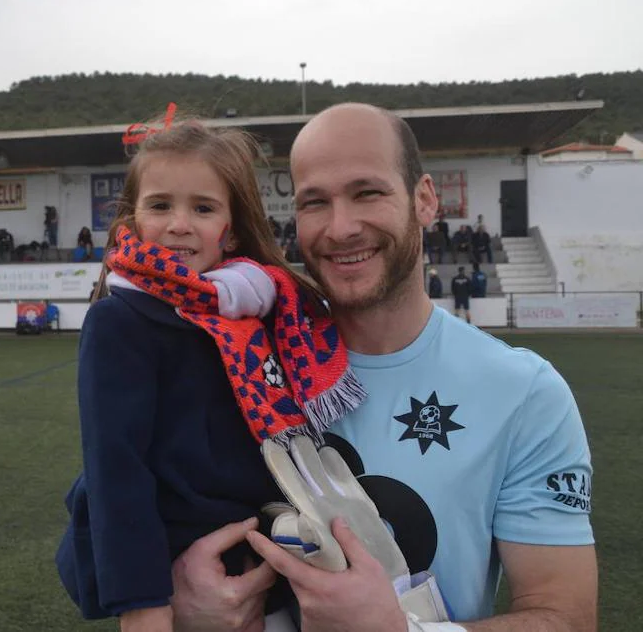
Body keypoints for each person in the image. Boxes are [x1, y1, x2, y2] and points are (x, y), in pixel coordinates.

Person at [171, 103, 595, 631]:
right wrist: (181, 608)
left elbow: (567, 617)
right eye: (315, 202)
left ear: (424, 199)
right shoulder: (239, 364)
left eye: (367, 192)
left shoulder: (524, 392)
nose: (341, 227)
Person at [55, 119, 357, 632]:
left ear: (232, 227)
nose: (179, 224)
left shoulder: (260, 307)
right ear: (133, 218)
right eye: (160, 205)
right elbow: (115, 470)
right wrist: (144, 606)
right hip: (173, 564)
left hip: (258, 548)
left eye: (203, 207)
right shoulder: (120, 319)